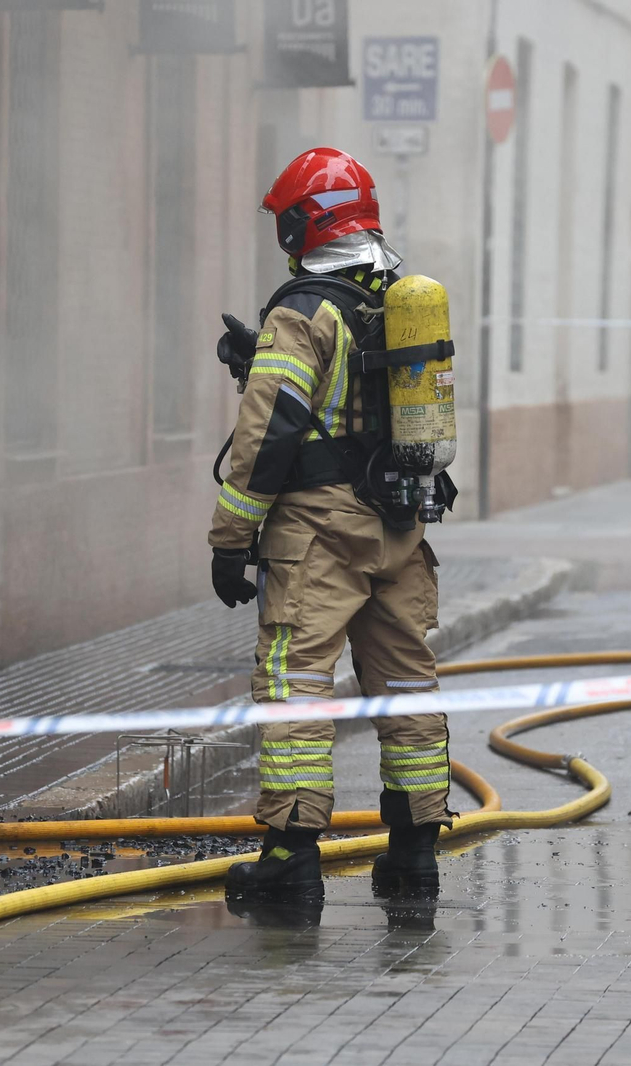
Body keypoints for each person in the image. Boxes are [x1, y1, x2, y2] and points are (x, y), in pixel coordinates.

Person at [209, 147, 453, 906]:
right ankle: (414, 853)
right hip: (401, 526)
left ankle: (291, 856)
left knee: (297, 684)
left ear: (303, 224)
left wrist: (229, 539)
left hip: (320, 533)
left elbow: (269, 433)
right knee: (406, 685)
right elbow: (360, 403)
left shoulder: (303, 310)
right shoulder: (397, 298)